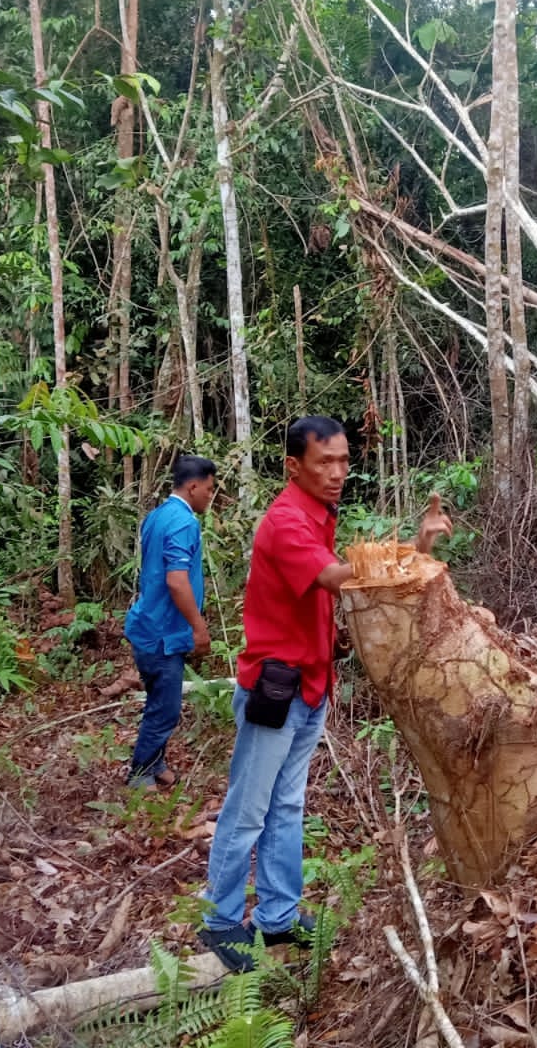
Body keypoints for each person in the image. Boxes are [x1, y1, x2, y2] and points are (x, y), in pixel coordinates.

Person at [198, 416, 451, 970]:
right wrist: (415, 553)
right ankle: (219, 921)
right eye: (324, 462)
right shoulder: (287, 522)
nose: (338, 473)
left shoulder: (319, 516)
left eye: (343, 461)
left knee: (286, 806)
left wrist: (420, 545)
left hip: (311, 686)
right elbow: (343, 579)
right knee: (248, 809)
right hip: (277, 691)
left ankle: (277, 916)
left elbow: (333, 584)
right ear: (294, 466)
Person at [123, 454, 218, 790]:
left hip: (149, 624)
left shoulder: (157, 516)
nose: (211, 495)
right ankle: (140, 772)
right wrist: (199, 627)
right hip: (162, 632)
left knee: (160, 700)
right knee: (165, 708)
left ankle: (156, 762)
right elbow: (177, 581)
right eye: (209, 489)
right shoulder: (183, 523)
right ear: (192, 487)